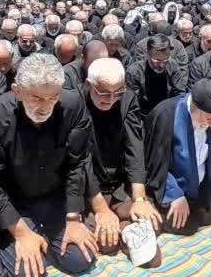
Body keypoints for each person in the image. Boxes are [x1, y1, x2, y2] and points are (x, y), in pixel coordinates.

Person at [0, 53, 96, 277]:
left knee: (82, 260)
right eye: (37, 98)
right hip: (15, 205)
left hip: (55, 200)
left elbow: (77, 164)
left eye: (53, 97)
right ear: (17, 91)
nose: (45, 107)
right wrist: (20, 232)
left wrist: (73, 218)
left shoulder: (73, 105)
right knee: (28, 272)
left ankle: (45, 239)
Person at [79, 58, 160, 266]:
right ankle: (122, 228)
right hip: (89, 189)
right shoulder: (75, 104)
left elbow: (134, 146)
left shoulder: (128, 99)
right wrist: (100, 209)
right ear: (88, 85)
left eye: (118, 92)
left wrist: (139, 198)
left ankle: (124, 226)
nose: (111, 99)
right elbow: (79, 161)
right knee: (105, 242)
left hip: (118, 185)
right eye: (104, 93)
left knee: (150, 220)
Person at [136, 79, 211, 235]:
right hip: (173, 186)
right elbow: (157, 165)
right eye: (209, 119)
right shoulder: (167, 115)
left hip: (204, 184)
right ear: (195, 107)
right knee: (189, 223)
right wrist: (175, 195)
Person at [126, 35, 189, 115]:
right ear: (147, 55)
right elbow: (133, 104)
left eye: (165, 60)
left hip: (167, 112)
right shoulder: (134, 72)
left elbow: (179, 94)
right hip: (143, 115)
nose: (161, 65)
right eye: (157, 61)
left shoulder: (172, 66)